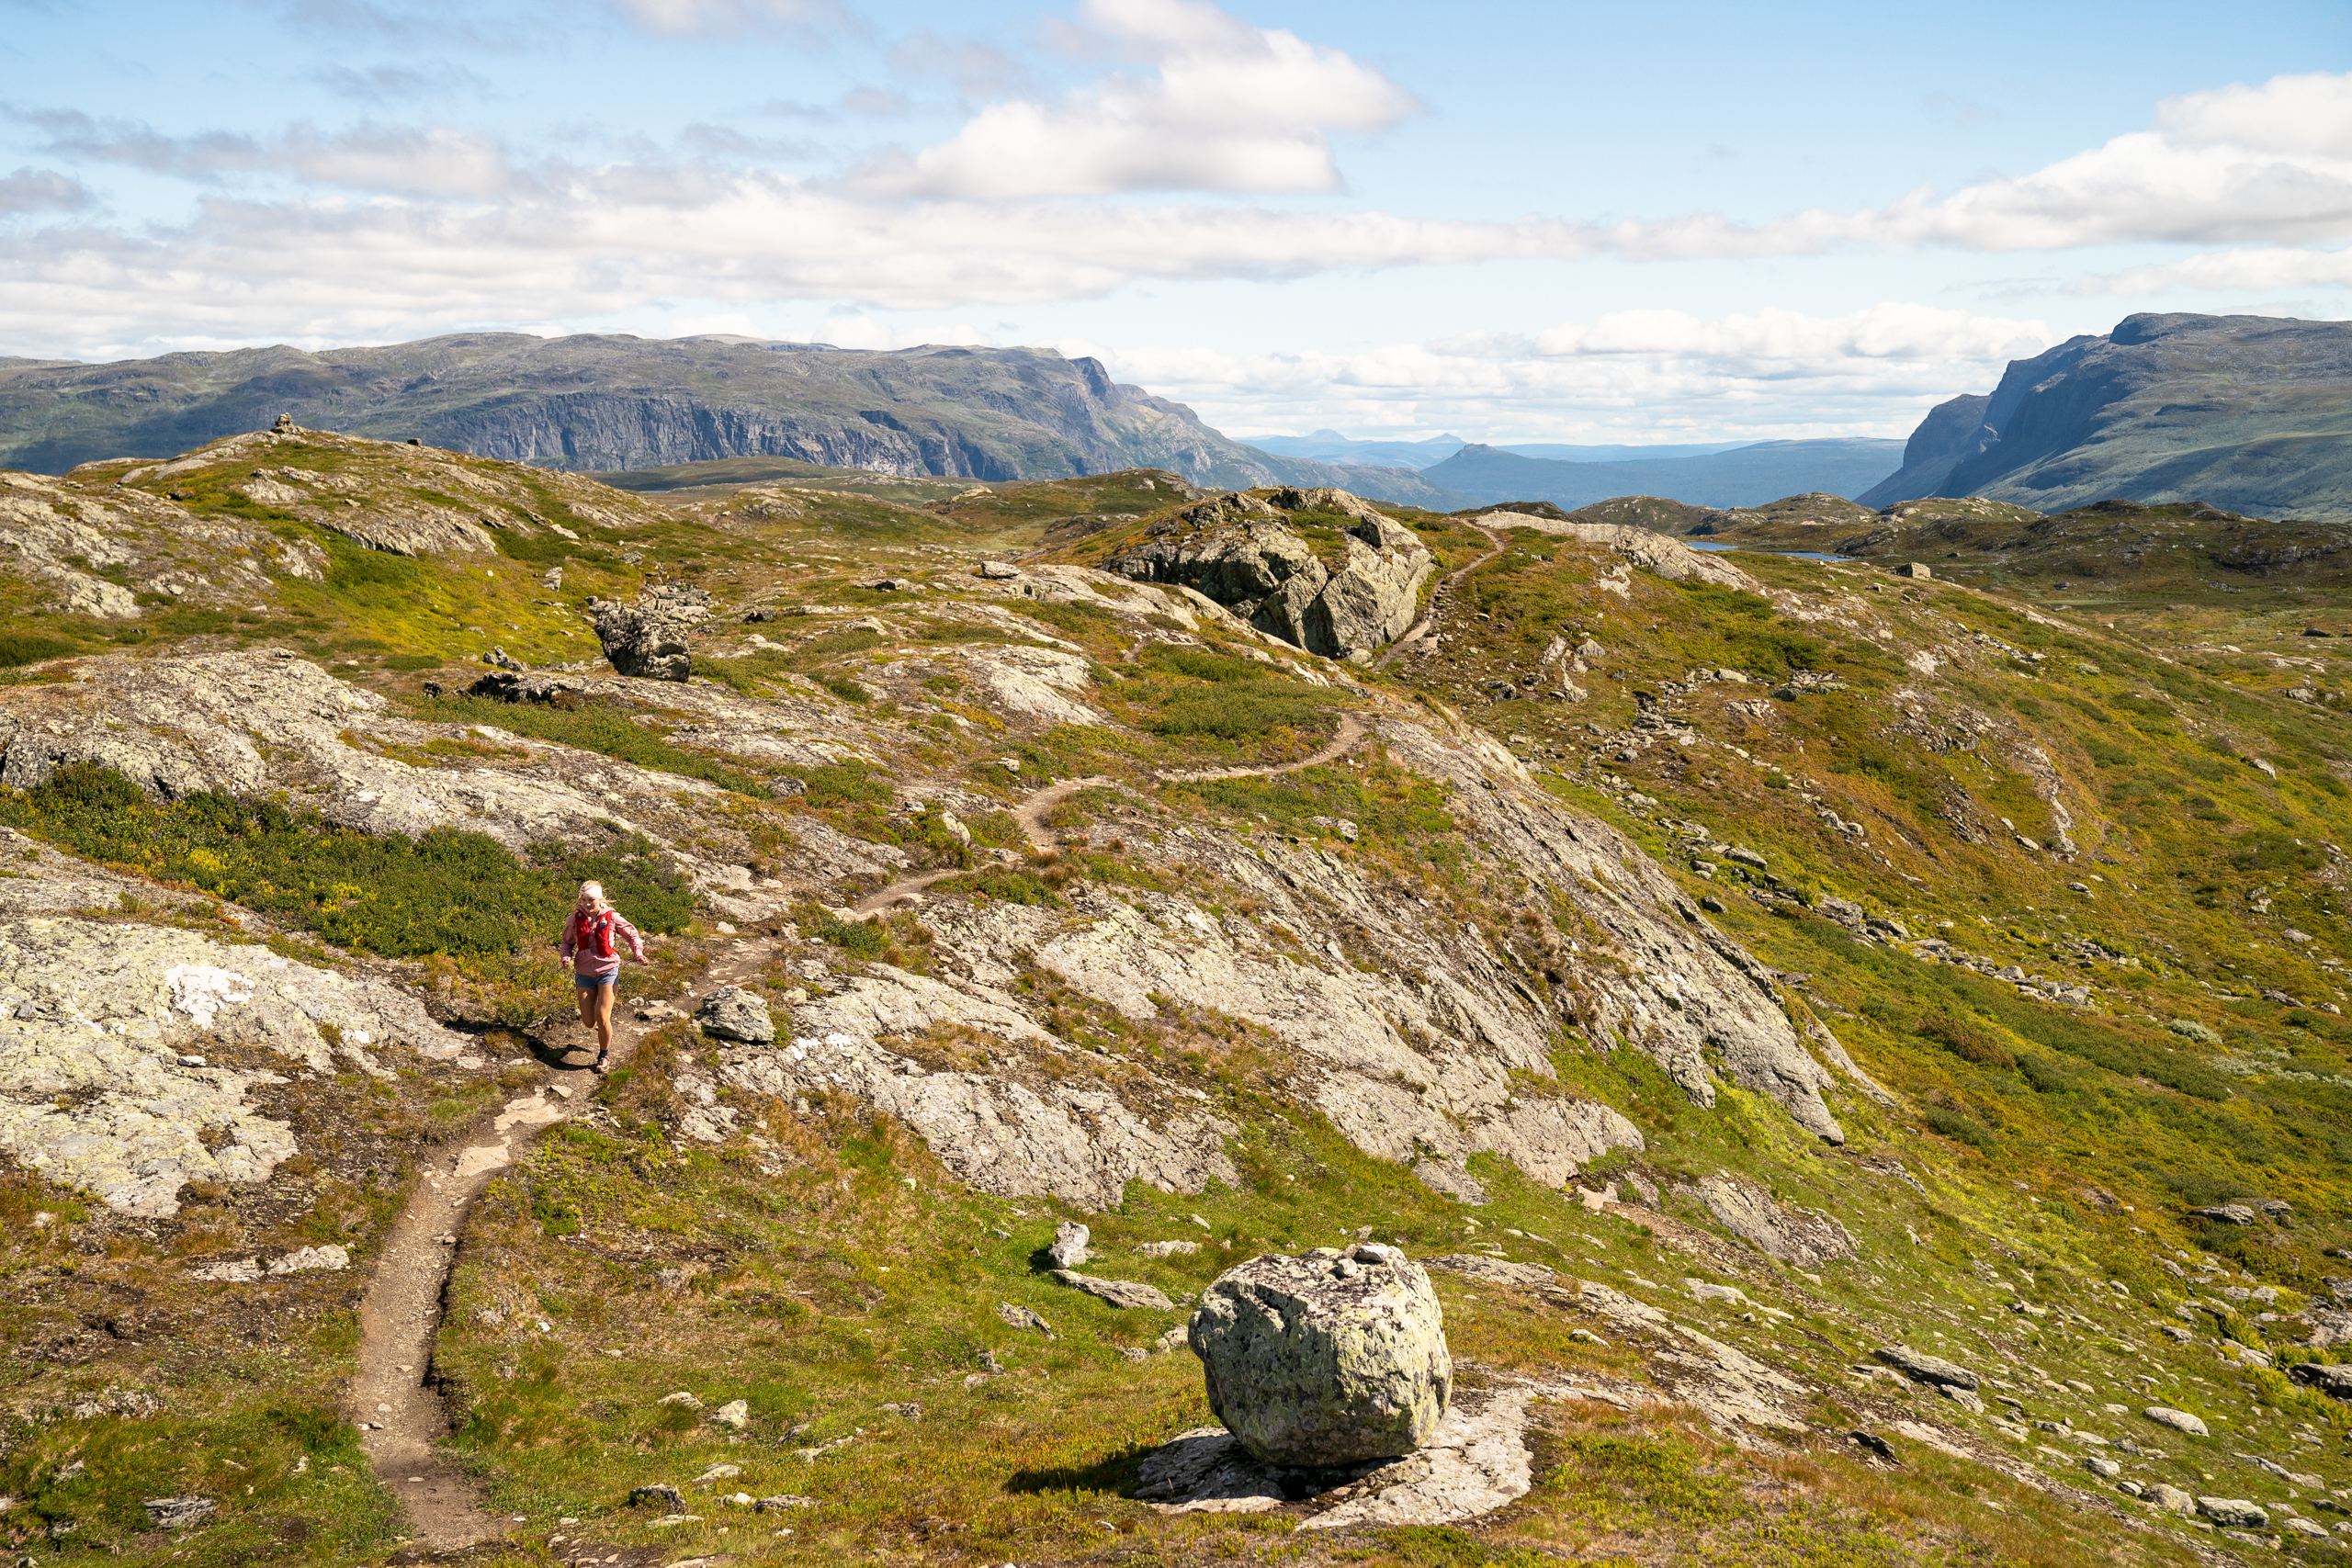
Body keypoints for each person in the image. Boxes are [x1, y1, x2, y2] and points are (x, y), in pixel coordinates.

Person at [559, 881, 648, 1073]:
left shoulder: (613, 917)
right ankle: (598, 1046)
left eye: (592, 900)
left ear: (600, 899)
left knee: (602, 1016)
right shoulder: (573, 919)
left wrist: (638, 953)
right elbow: (566, 943)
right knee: (589, 1022)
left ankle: (604, 1055)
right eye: (584, 900)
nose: (588, 903)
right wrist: (565, 957)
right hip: (584, 972)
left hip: (609, 969)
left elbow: (632, 935)